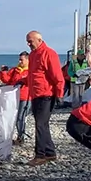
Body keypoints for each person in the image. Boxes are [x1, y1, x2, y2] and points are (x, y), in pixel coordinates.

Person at [25, 31, 65, 165]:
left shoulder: (49, 53)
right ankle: (50, 152)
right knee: (43, 124)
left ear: (39, 40)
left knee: (40, 125)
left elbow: (57, 76)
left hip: (46, 94)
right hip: (35, 94)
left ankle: (40, 155)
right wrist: (22, 82)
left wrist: (59, 95)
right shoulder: (33, 55)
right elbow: (33, 75)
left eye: (30, 41)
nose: (28, 44)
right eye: (28, 41)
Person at [1, 52, 31, 145]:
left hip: (25, 97)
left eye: (22, 60)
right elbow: (6, 80)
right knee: (13, 117)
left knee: (20, 117)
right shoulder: (15, 70)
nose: (20, 61)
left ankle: (21, 137)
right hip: (14, 97)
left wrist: (24, 81)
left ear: (27, 60)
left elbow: (32, 81)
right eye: (19, 59)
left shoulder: (30, 71)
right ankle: (16, 136)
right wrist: (4, 71)